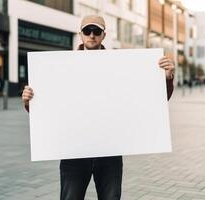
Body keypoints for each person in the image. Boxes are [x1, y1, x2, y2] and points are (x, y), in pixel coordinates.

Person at [22, 15, 175, 200]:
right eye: (87, 31)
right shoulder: (61, 67)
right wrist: (29, 101)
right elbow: (49, 111)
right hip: (74, 151)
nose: (92, 35)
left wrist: (166, 78)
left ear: (104, 35)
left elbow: (150, 101)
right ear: (80, 35)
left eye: (96, 31)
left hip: (109, 151)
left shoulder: (122, 66)